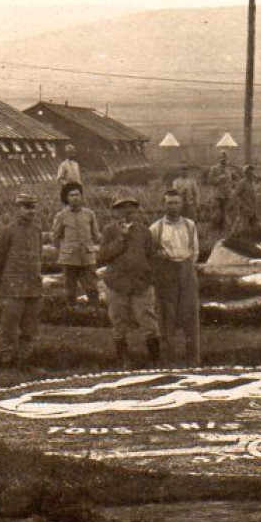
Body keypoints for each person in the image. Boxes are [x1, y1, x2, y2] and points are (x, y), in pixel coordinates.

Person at [98, 196, 161, 367]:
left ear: (136, 211)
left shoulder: (144, 231)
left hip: (141, 283)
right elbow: (103, 255)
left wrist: (150, 277)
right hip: (117, 283)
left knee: (148, 320)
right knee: (119, 321)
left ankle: (155, 359)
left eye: (131, 208)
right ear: (116, 212)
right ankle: (123, 360)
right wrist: (121, 238)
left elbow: (152, 256)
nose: (127, 211)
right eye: (122, 208)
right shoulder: (109, 231)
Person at [0, 192, 45, 367]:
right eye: (26, 207)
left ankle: (24, 362)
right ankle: (7, 362)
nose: (30, 211)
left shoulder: (37, 231)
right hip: (12, 288)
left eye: (33, 207)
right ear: (17, 209)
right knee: (8, 328)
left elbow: (39, 256)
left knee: (30, 328)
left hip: (33, 288)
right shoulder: (8, 231)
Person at [150, 189, 202, 365]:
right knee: (166, 316)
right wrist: (161, 259)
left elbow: (195, 251)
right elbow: (152, 252)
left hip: (186, 271)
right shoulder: (156, 228)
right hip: (167, 274)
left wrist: (187, 266)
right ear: (163, 205)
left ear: (181, 205)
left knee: (190, 314)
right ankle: (168, 359)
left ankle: (193, 358)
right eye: (169, 203)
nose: (173, 206)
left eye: (176, 203)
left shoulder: (190, 225)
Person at [50, 182, 102, 313]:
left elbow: (96, 235)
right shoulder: (61, 215)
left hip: (87, 256)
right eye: (71, 195)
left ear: (82, 196)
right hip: (69, 258)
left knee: (91, 285)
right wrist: (64, 249)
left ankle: (94, 310)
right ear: (66, 198)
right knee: (70, 287)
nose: (75, 198)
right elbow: (55, 237)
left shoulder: (90, 214)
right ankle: (71, 311)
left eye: (77, 195)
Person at [205, 151, 238, 229]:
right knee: (216, 213)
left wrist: (234, 177)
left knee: (224, 212)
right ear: (218, 159)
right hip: (217, 195)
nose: (223, 160)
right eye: (222, 157)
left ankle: (222, 228)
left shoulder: (229, 170)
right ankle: (214, 228)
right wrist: (218, 179)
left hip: (226, 194)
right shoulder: (214, 169)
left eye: (225, 158)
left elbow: (235, 179)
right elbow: (209, 181)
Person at [228, 165, 261, 235]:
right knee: (243, 227)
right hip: (245, 209)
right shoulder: (242, 183)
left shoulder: (252, 183)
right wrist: (241, 205)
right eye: (249, 171)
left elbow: (253, 196)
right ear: (245, 173)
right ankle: (232, 237)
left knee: (256, 228)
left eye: (252, 171)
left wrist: (255, 209)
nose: (251, 173)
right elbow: (234, 195)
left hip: (252, 209)